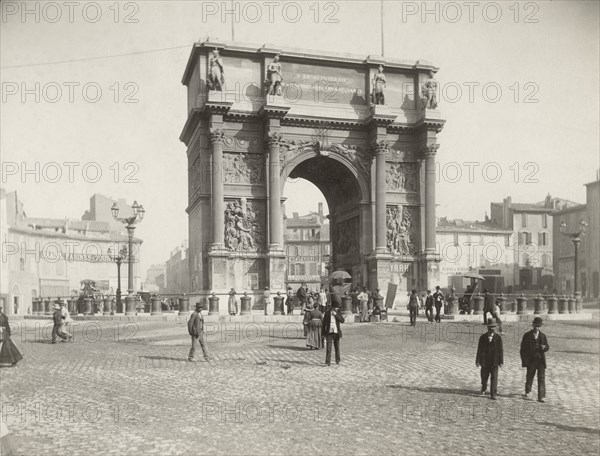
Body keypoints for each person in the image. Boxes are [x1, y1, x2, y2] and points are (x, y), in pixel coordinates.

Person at [520, 317, 549, 403]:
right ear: (533, 325)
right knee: (530, 376)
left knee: (541, 378)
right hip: (531, 360)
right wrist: (524, 361)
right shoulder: (527, 335)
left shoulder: (543, 336)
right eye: (536, 326)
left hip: (540, 360)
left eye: (539, 326)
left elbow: (547, 346)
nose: (537, 328)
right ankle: (528, 391)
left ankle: (541, 396)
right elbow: (523, 350)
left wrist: (545, 347)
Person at [476, 319, 504, 400]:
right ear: (487, 328)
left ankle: (493, 394)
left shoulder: (498, 338)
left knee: (494, 377)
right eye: (490, 327)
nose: (492, 329)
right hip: (485, 361)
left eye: (494, 327)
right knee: (484, 377)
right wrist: (477, 361)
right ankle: (484, 387)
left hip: (494, 362)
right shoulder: (482, 338)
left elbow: (500, 350)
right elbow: (479, 350)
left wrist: (501, 361)